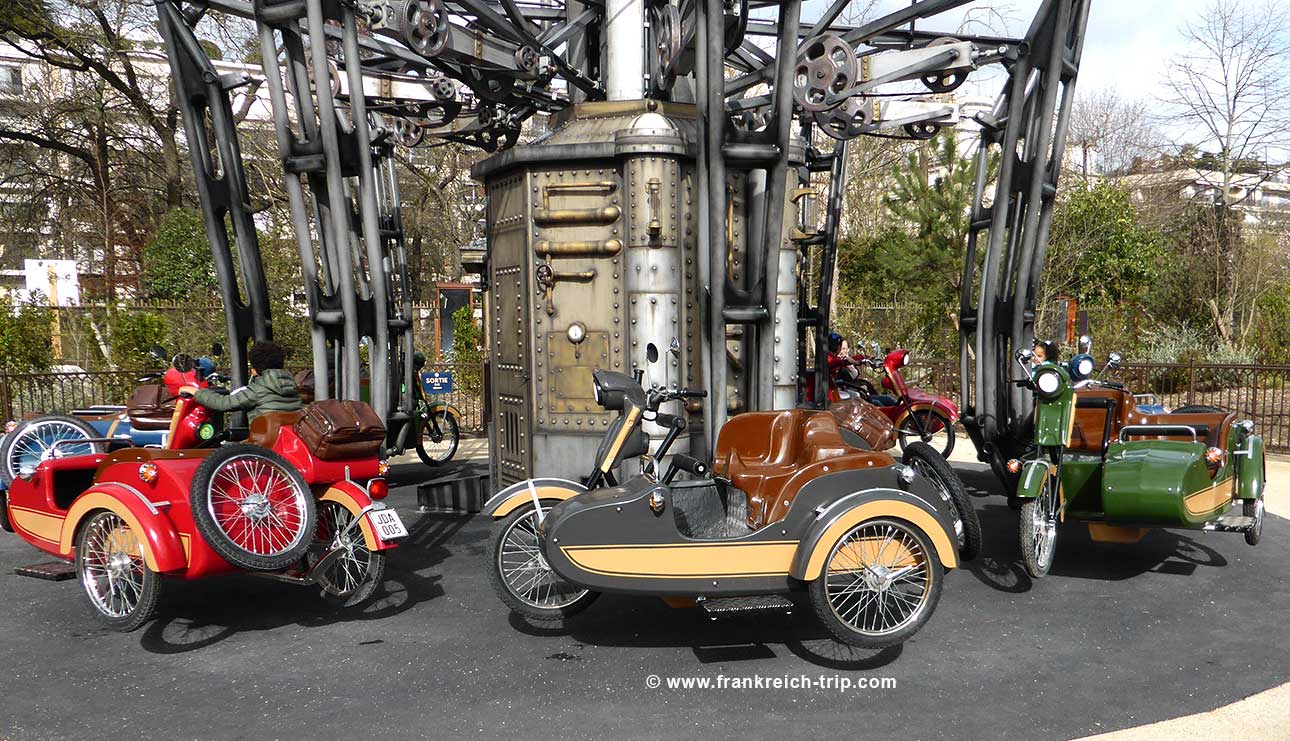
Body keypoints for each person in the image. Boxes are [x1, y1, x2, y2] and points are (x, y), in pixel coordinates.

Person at [183, 340, 303, 423]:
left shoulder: (257, 390)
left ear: (255, 371)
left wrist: (196, 392)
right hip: (288, 443)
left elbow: (222, 403)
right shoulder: (293, 387)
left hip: (265, 445)